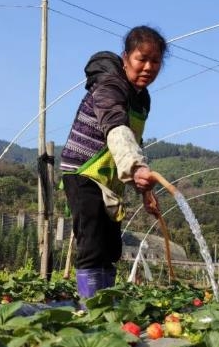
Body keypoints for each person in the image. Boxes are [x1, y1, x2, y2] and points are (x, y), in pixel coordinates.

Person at [60, 25, 167, 301]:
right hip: (83, 171)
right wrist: (135, 168)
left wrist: (145, 191)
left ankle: (104, 303)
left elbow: (133, 140)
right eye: (141, 59)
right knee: (93, 243)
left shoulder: (142, 99)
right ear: (125, 58)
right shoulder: (109, 84)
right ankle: (90, 309)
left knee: (110, 248)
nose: (148, 67)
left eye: (155, 61)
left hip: (109, 177)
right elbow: (116, 128)